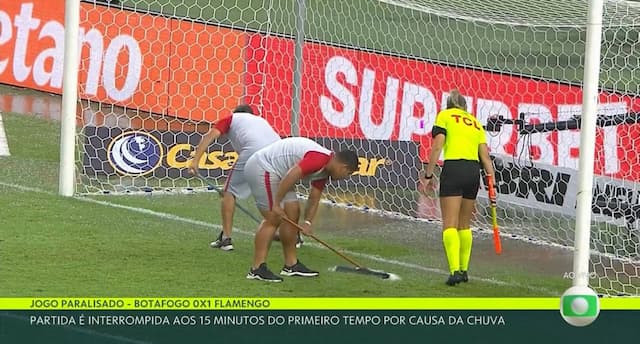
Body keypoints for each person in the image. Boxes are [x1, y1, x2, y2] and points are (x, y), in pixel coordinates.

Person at [243, 137, 359, 282]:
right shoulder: (320, 159)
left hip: (278, 173)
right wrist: (277, 203)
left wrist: (308, 223)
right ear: (343, 167)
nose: (345, 178)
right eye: (348, 174)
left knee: (293, 212)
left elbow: (314, 196)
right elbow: (293, 174)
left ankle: (291, 265)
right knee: (273, 217)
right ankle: (257, 269)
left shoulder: (325, 170)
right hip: (263, 167)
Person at [420, 89, 495, 286]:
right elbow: (485, 157)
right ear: (465, 106)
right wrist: (491, 182)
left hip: (453, 169)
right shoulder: (475, 122)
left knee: (449, 224)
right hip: (473, 171)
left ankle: (454, 271)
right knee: (464, 224)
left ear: (448, 104)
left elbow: (437, 146)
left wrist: (428, 175)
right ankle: (464, 270)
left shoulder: (444, 116)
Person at [188, 104, 283, 251]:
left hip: (255, 149)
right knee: (277, 193)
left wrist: (195, 161)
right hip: (279, 151)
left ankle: (226, 239)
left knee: (229, 192)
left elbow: (209, 136)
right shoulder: (261, 122)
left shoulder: (232, 119)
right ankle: (291, 234)